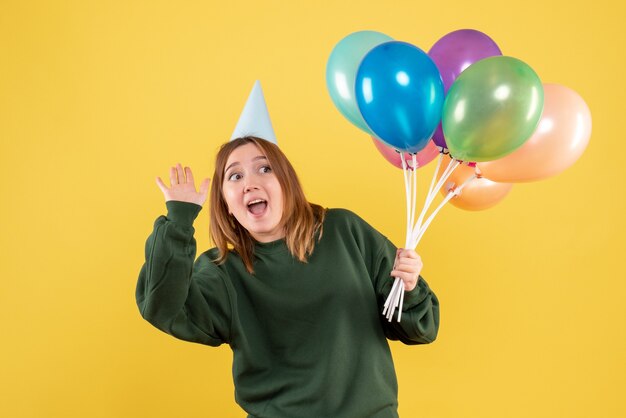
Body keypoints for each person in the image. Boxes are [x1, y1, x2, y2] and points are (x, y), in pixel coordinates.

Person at [136, 136, 440, 418]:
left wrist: (409, 287)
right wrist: (178, 221)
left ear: (287, 182)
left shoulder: (345, 230)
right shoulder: (222, 272)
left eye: (264, 168)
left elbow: (420, 329)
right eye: (235, 176)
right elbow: (162, 306)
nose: (250, 184)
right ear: (226, 203)